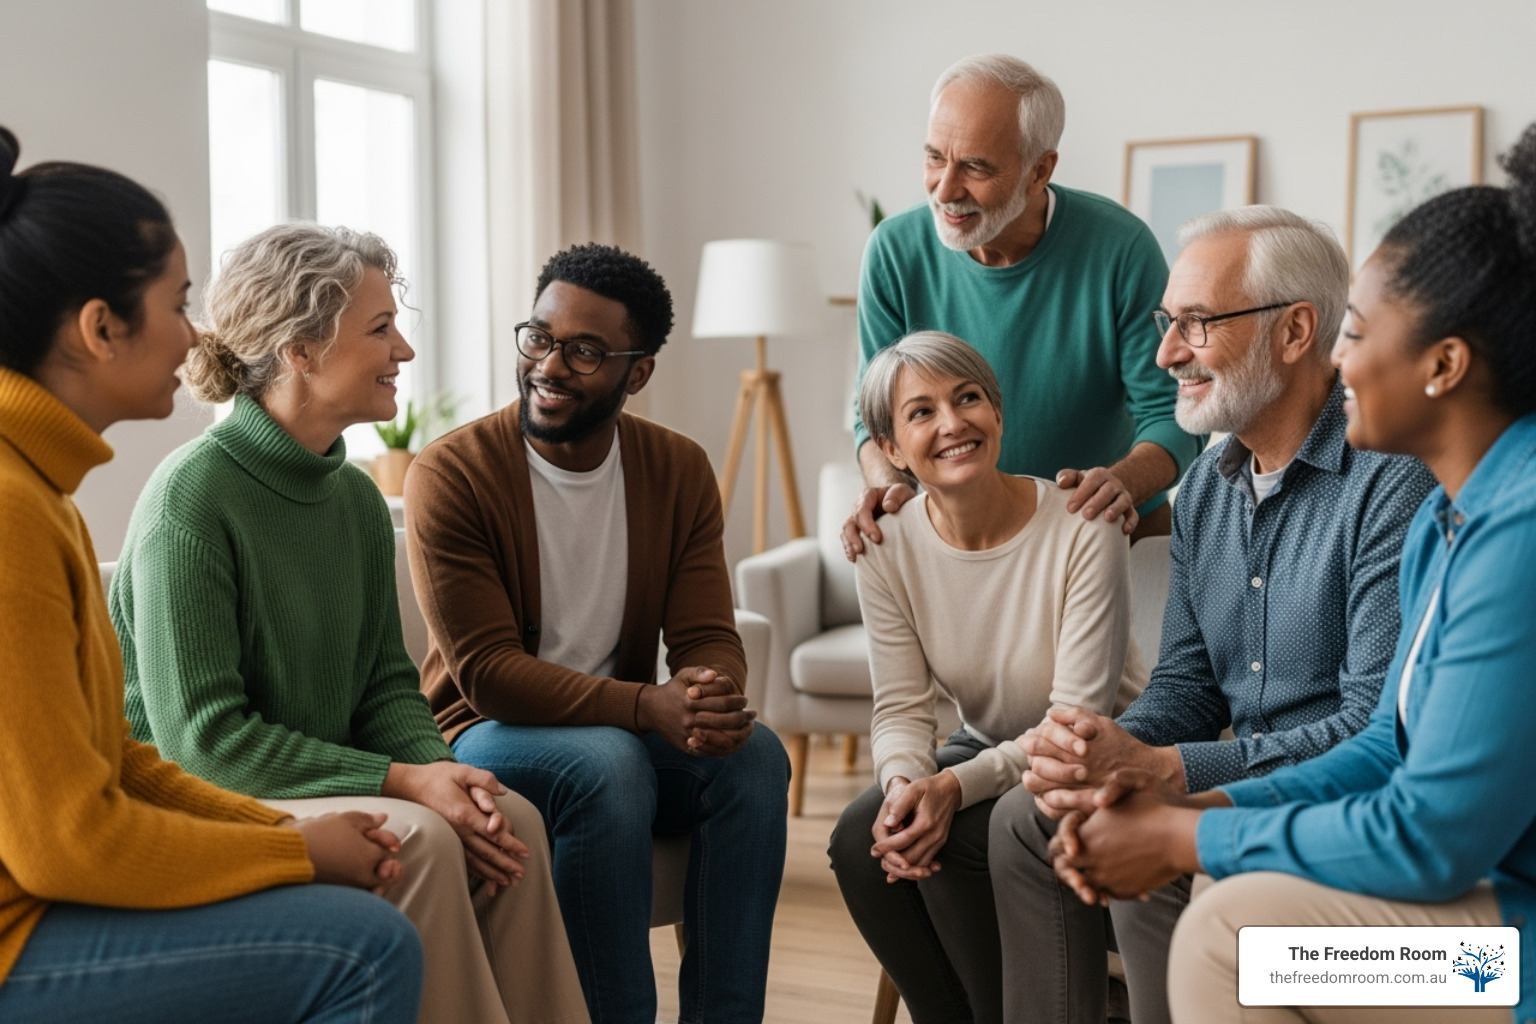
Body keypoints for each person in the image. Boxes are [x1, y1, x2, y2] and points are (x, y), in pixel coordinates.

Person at [1048, 127, 1536, 1024]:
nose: (1337, 363)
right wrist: (1192, 791)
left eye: (1352, 333)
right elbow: (1387, 748)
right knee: (1232, 924)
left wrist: (1188, 831)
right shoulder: (1451, 519)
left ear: (1445, 366)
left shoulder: (1521, 531)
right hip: (1485, 915)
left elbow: (1426, 835)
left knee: (1233, 943)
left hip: (1501, 958)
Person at [111, 222, 588, 1024]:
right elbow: (204, 744)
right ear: (300, 348)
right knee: (423, 841)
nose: (403, 350)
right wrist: (404, 783)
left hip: (313, 784)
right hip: (203, 798)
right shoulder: (191, 499)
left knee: (506, 820)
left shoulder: (357, 499)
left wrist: (446, 775)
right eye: (380, 328)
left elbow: (384, 688)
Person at [0, 127, 422, 1024]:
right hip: (18, 933)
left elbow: (115, 763)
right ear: (99, 328)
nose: (200, 333)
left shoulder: (40, 494)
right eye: (178, 301)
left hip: (45, 896)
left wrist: (292, 834)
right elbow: (68, 845)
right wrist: (298, 854)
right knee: (364, 945)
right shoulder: (14, 511)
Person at [992, 206, 1436, 1024]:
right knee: (1026, 816)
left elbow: (1374, 730)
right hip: (1238, 774)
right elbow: (1187, 688)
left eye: (1195, 324)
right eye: (1168, 324)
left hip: (1333, 794)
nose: (1166, 354)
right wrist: (1105, 740)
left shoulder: (1392, 481)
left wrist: (1170, 773)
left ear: (1296, 330)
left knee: (1144, 824)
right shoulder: (1200, 489)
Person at [406, 242, 790, 1024]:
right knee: (607, 767)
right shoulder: (452, 473)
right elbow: (486, 672)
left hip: (615, 722)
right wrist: (650, 706)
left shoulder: (677, 470)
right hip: (484, 731)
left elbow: (708, 632)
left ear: (636, 371)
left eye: (584, 351)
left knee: (754, 758)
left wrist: (708, 692)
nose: (549, 365)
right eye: (538, 338)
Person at [826, 331, 1146, 1024]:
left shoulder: (1083, 525)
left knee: (963, 830)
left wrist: (951, 787)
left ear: (998, 413)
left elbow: (1077, 718)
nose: (952, 423)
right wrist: (907, 788)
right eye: (921, 412)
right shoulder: (884, 546)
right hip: (992, 743)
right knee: (864, 837)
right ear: (888, 447)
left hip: (1098, 752)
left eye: (968, 398)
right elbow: (904, 709)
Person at [843, 54, 1200, 559]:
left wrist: (1120, 482)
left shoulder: (1121, 246)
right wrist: (886, 485)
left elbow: (1172, 411)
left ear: (1040, 171)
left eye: (974, 166)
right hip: (959, 545)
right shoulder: (892, 251)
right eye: (934, 158)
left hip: (1107, 535)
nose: (944, 190)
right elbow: (872, 414)